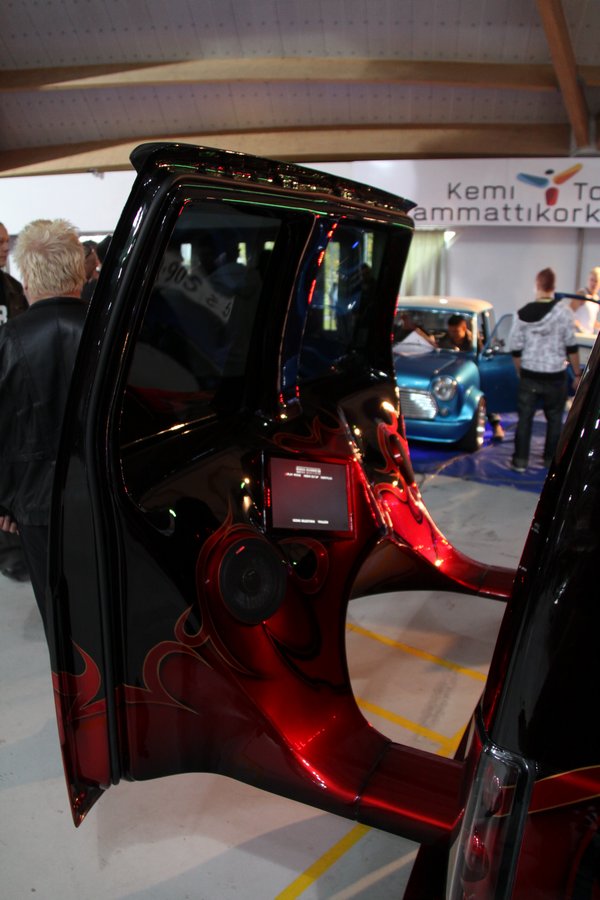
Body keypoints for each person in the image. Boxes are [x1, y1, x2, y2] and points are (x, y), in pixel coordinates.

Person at [0, 219, 88, 628]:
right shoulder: (110, 332)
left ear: (27, 279)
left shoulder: (8, 340)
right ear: (79, 274)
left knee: (57, 615)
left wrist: (5, 501)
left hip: (35, 505)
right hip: (103, 497)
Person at [509, 267, 582, 472]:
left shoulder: (522, 313)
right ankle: (551, 460)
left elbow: (515, 348)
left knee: (524, 419)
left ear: (537, 285)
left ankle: (520, 461)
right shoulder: (564, 313)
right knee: (555, 419)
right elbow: (572, 347)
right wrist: (577, 374)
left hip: (530, 375)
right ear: (553, 287)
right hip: (555, 376)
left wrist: (520, 371)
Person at [0, 221, 31, 582]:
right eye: (0, 242)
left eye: (7, 242)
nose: (5, 247)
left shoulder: (11, 287)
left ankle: (13, 547)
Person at [437, 313, 505, 440]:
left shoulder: (476, 341)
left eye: (456, 331)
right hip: (453, 375)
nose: (452, 334)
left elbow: (482, 358)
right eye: (450, 331)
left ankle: (496, 425)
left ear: (464, 328)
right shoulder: (445, 340)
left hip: (472, 373)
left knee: (486, 390)